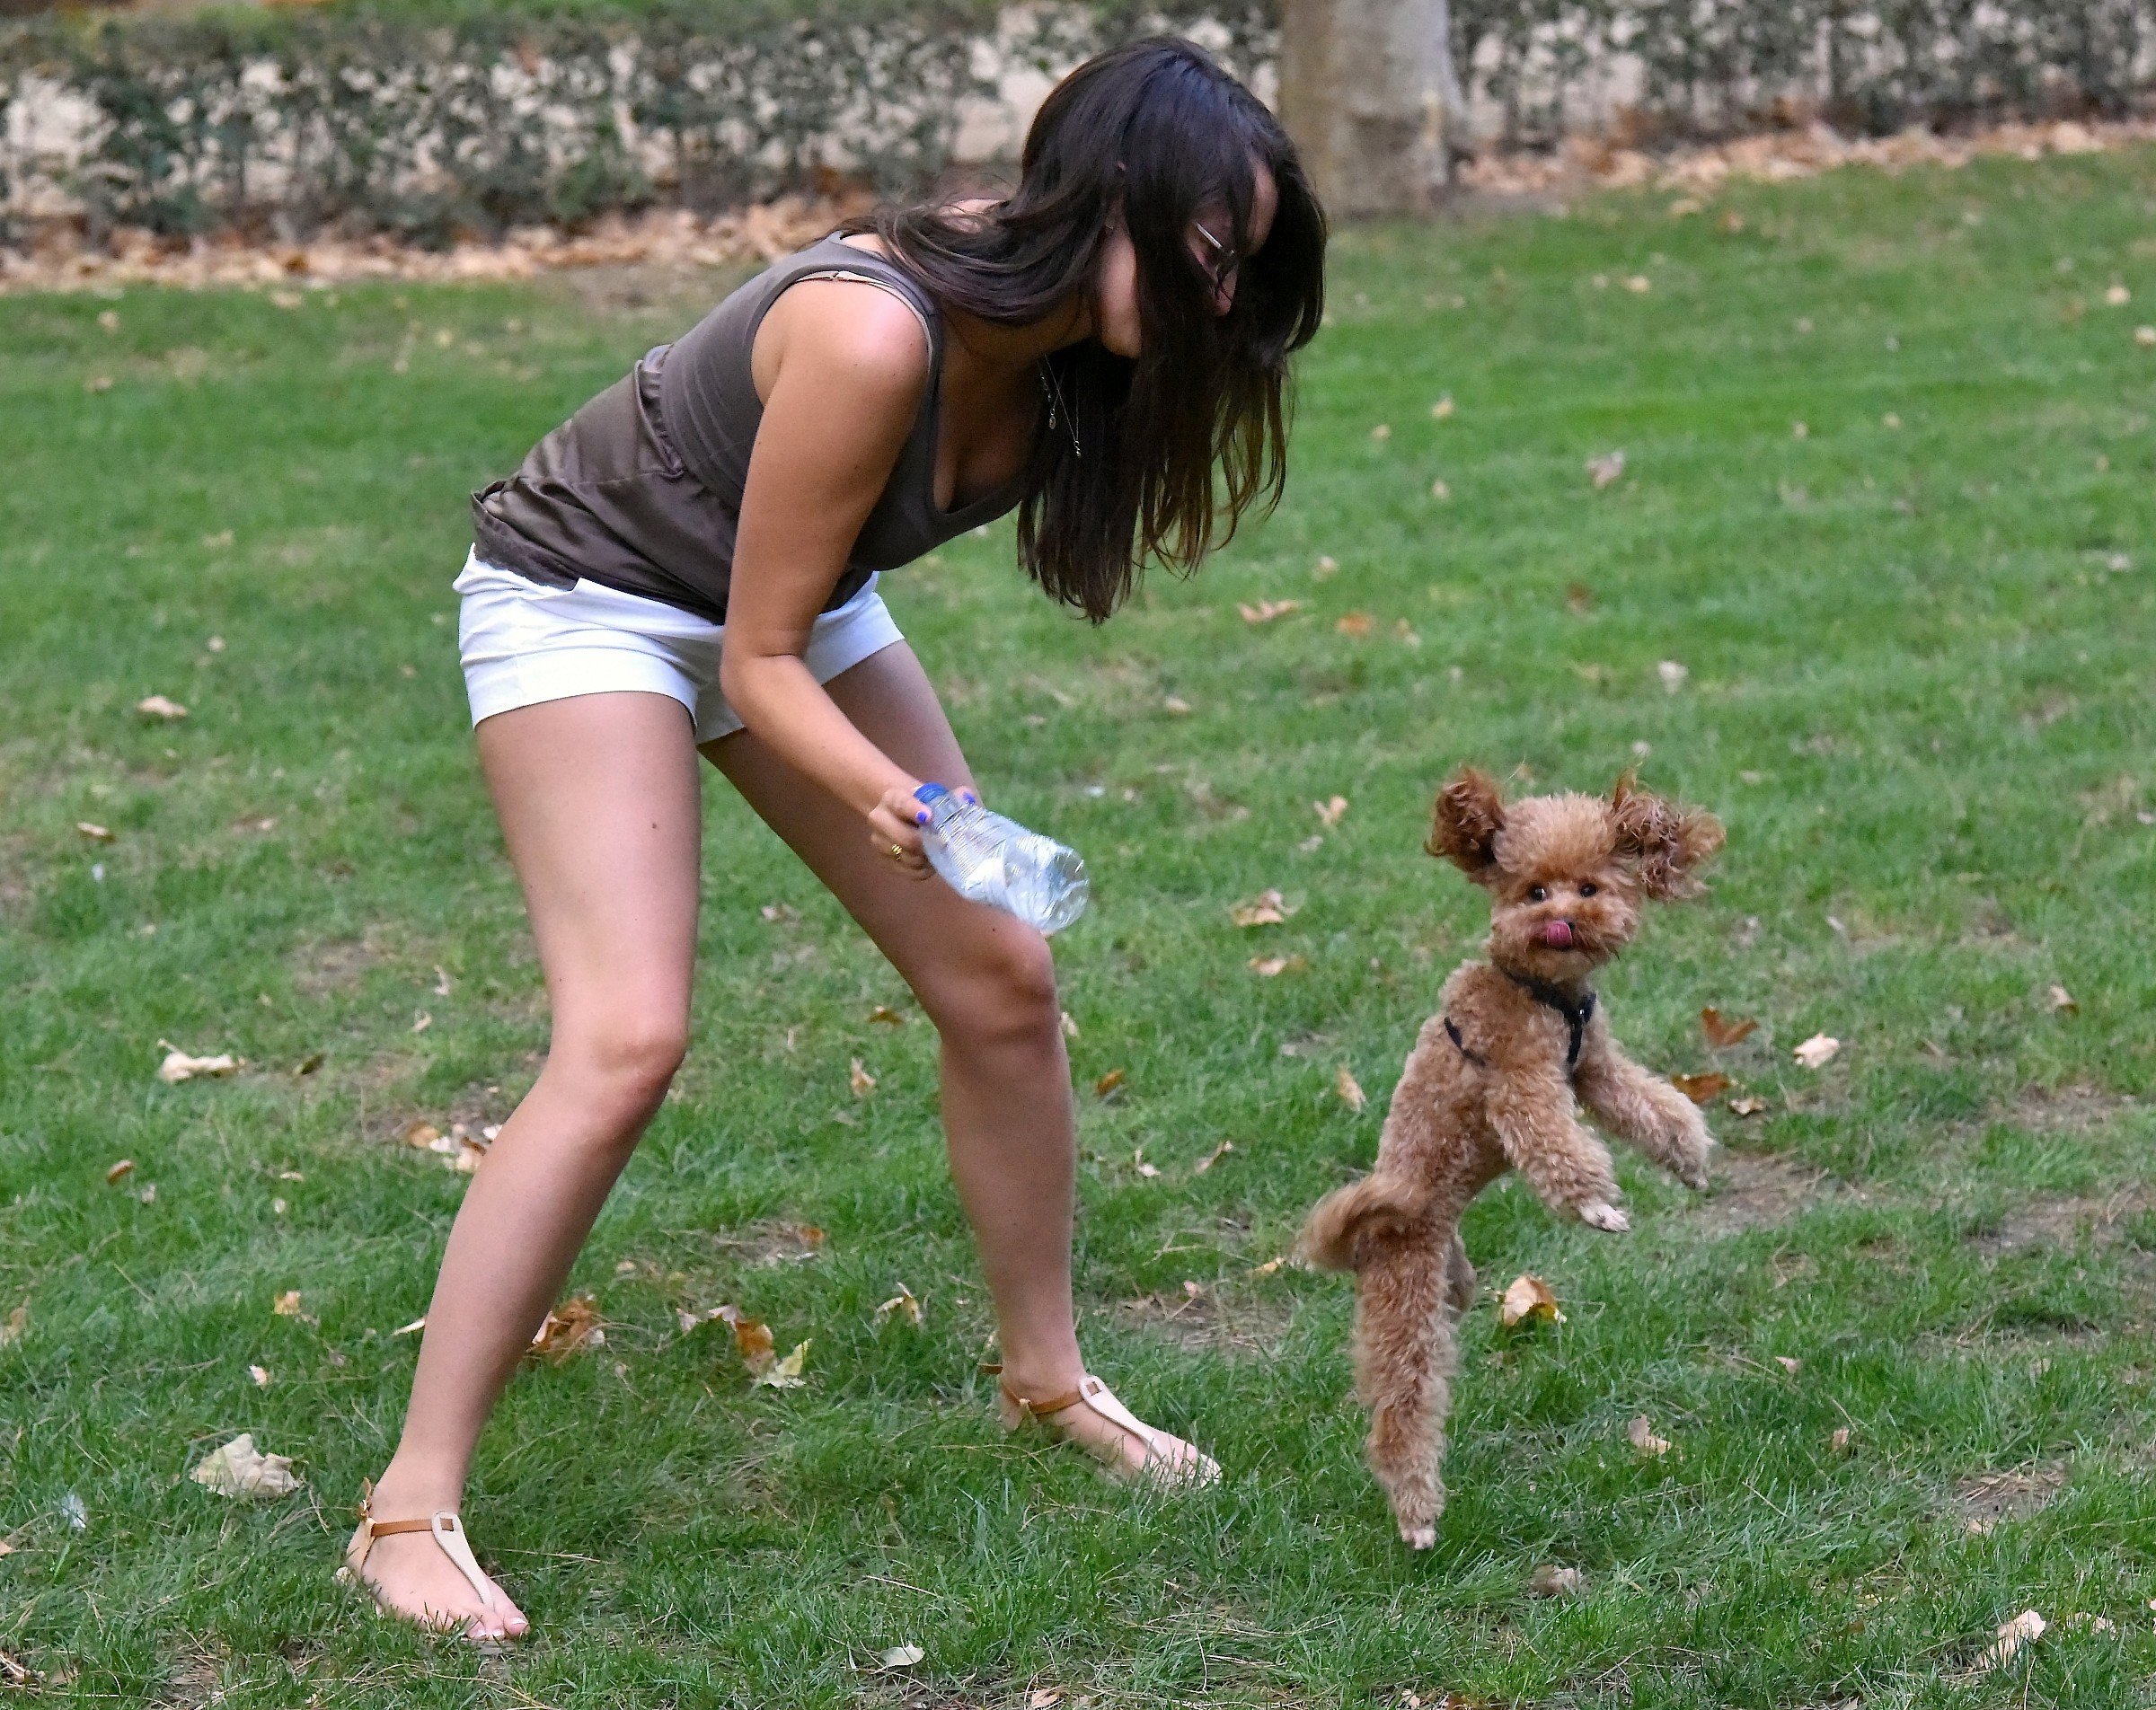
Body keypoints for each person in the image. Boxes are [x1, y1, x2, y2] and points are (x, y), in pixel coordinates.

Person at [342, 36, 1327, 1640]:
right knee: (628, 1035)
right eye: (1211, 258)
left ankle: (1049, 1381)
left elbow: (788, 615)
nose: (1225, 304)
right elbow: (754, 668)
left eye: (1245, 273)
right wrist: (889, 797)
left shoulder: (1079, 344)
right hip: (587, 595)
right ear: (1108, 202)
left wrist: (904, 804)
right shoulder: (877, 332)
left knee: (1002, 981)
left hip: (777, 597)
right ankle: (407, 1508)